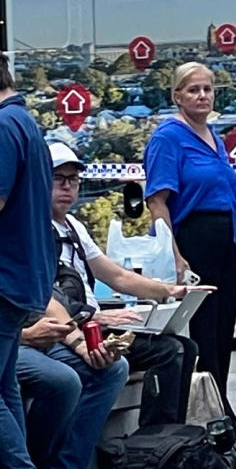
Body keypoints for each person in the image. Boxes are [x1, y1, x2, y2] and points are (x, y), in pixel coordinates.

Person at [48, 142, 201, 428]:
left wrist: (170, 291)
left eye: (74, 180)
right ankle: (154, 441)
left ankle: (170, 437)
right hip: (72, 328)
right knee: (170, 351)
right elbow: (45, 296)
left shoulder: (73, 225)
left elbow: (117, 276)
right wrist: (94, 317)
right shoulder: (35, 228)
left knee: (187, 347)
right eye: (59, 179)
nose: (68, 187)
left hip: (95, 323)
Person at [143, 62, 236, 447]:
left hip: (226, 245)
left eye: (207, 89)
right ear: (177, 95)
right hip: (195, 241)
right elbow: (158, 201)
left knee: (223, 335)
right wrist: (173, 253)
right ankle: (214, 420)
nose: (202, 96)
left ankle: (219, 410)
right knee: (203, 335)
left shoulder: (215, 137)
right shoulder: (168, 138)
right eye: (193, 90)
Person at [0, 53, 57, 469]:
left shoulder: (2, 127)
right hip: (23, 280)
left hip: (4, 279)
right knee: (6, 388)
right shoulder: (25, 123)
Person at [17, 296, 129, 469]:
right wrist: (24, 336)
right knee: (62, 380)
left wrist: (80, 345)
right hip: (12, 340)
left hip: (36, 335)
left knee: (113, 369)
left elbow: (48, 300)